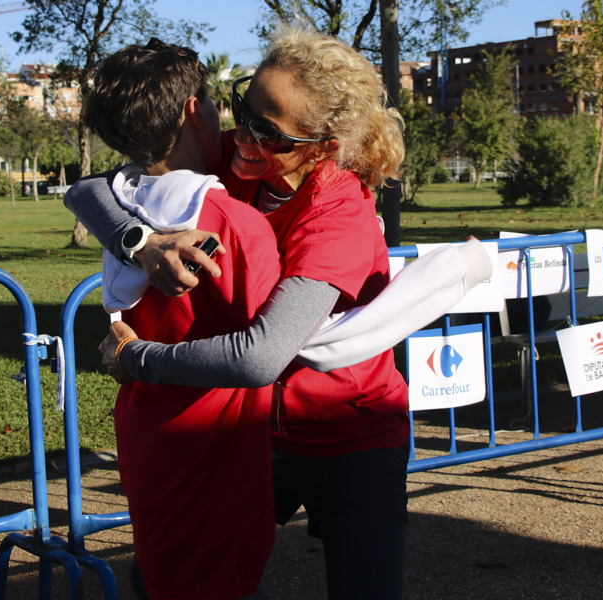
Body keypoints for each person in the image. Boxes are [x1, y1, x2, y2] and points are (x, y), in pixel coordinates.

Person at [68, 27, 412, 599]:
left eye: (268, 131)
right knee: (170, 575)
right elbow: (87, 190)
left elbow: (262, 355)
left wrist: (138, 360)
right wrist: (140, 243)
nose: (244, 138)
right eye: (242, 108)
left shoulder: (338, 215)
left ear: (324, 144)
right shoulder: (240, 156)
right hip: (256, 432)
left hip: (348, 433)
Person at [82, 39, 284, 600]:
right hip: (215, 456)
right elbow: (281, 344)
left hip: (148, 437)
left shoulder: (125, 212)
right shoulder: (234, 225)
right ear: (195, 111)